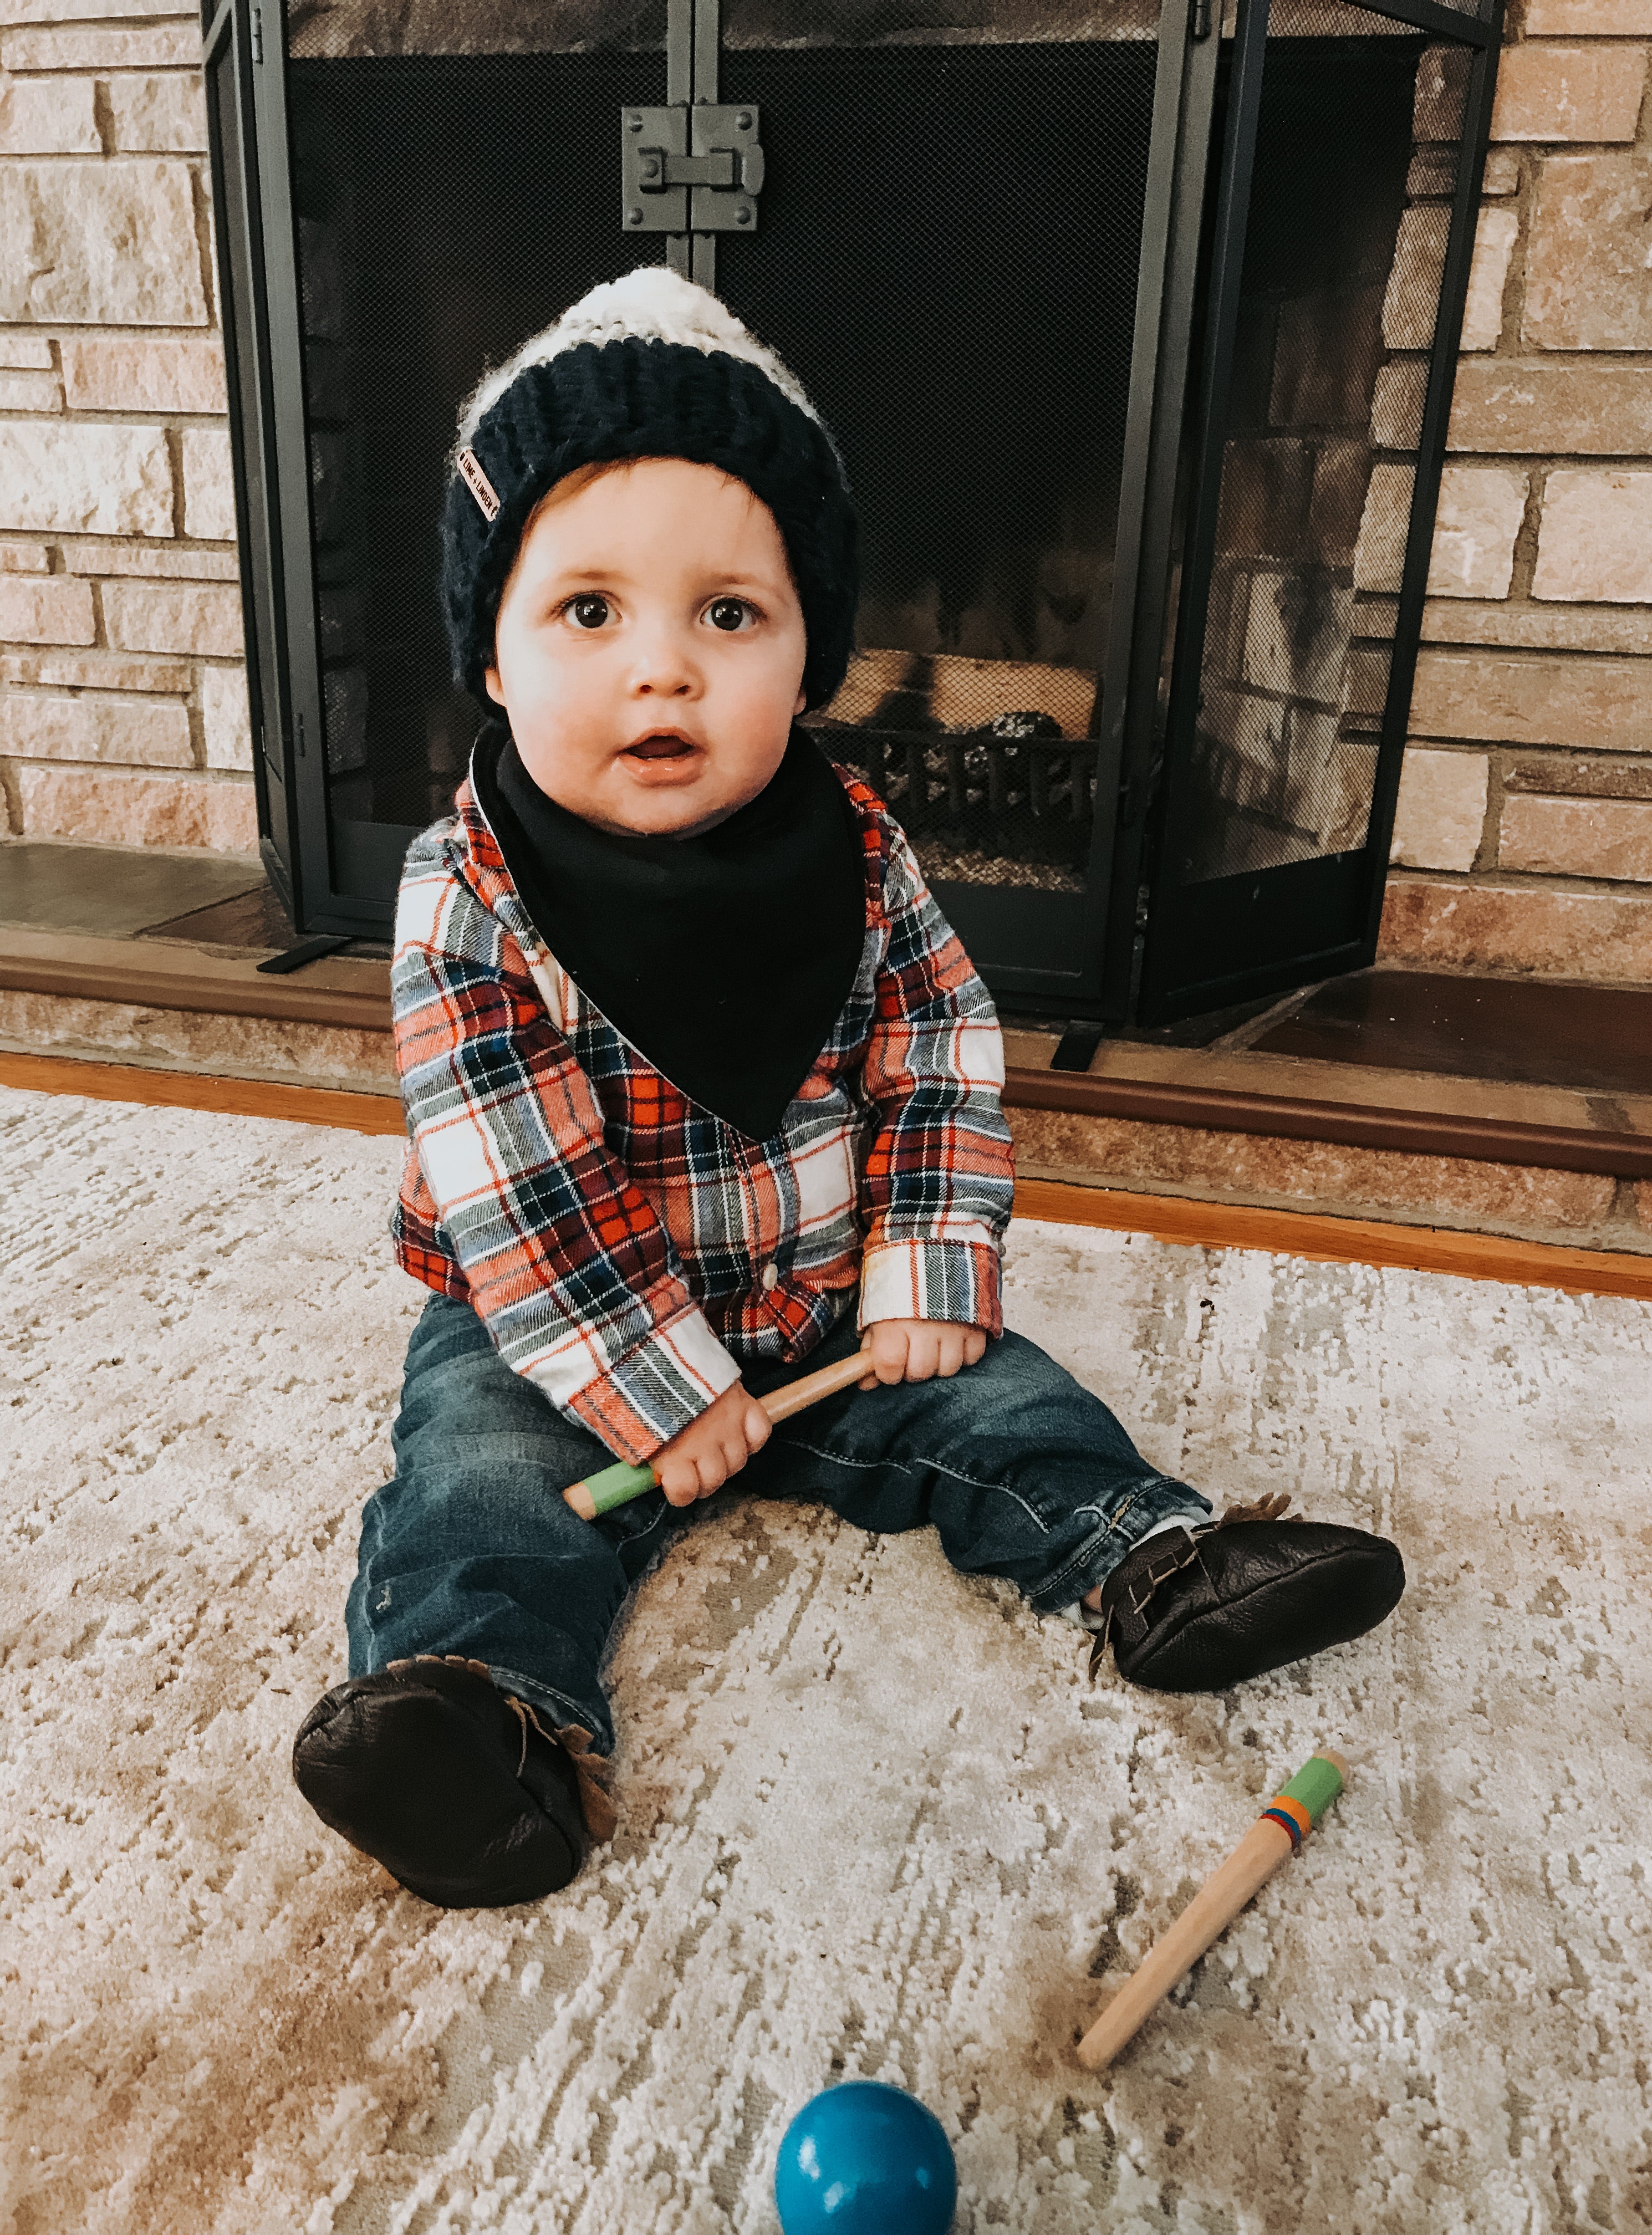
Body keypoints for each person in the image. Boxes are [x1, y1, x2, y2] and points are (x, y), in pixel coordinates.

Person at [292, 268, 1404, 1910]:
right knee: (477, 1482)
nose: (662, 671)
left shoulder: (863, 850)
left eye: (726, 615)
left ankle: (1152, 1559)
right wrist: (658, 1389)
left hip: (824, 1302)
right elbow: (515, 1185)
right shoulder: (468, 894)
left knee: (1008, 1401)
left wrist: (927, 1268)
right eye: (589, 612)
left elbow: (939, 1052)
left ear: (811, 647)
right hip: (558, 1327)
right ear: (493, 657)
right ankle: (483, 1724)